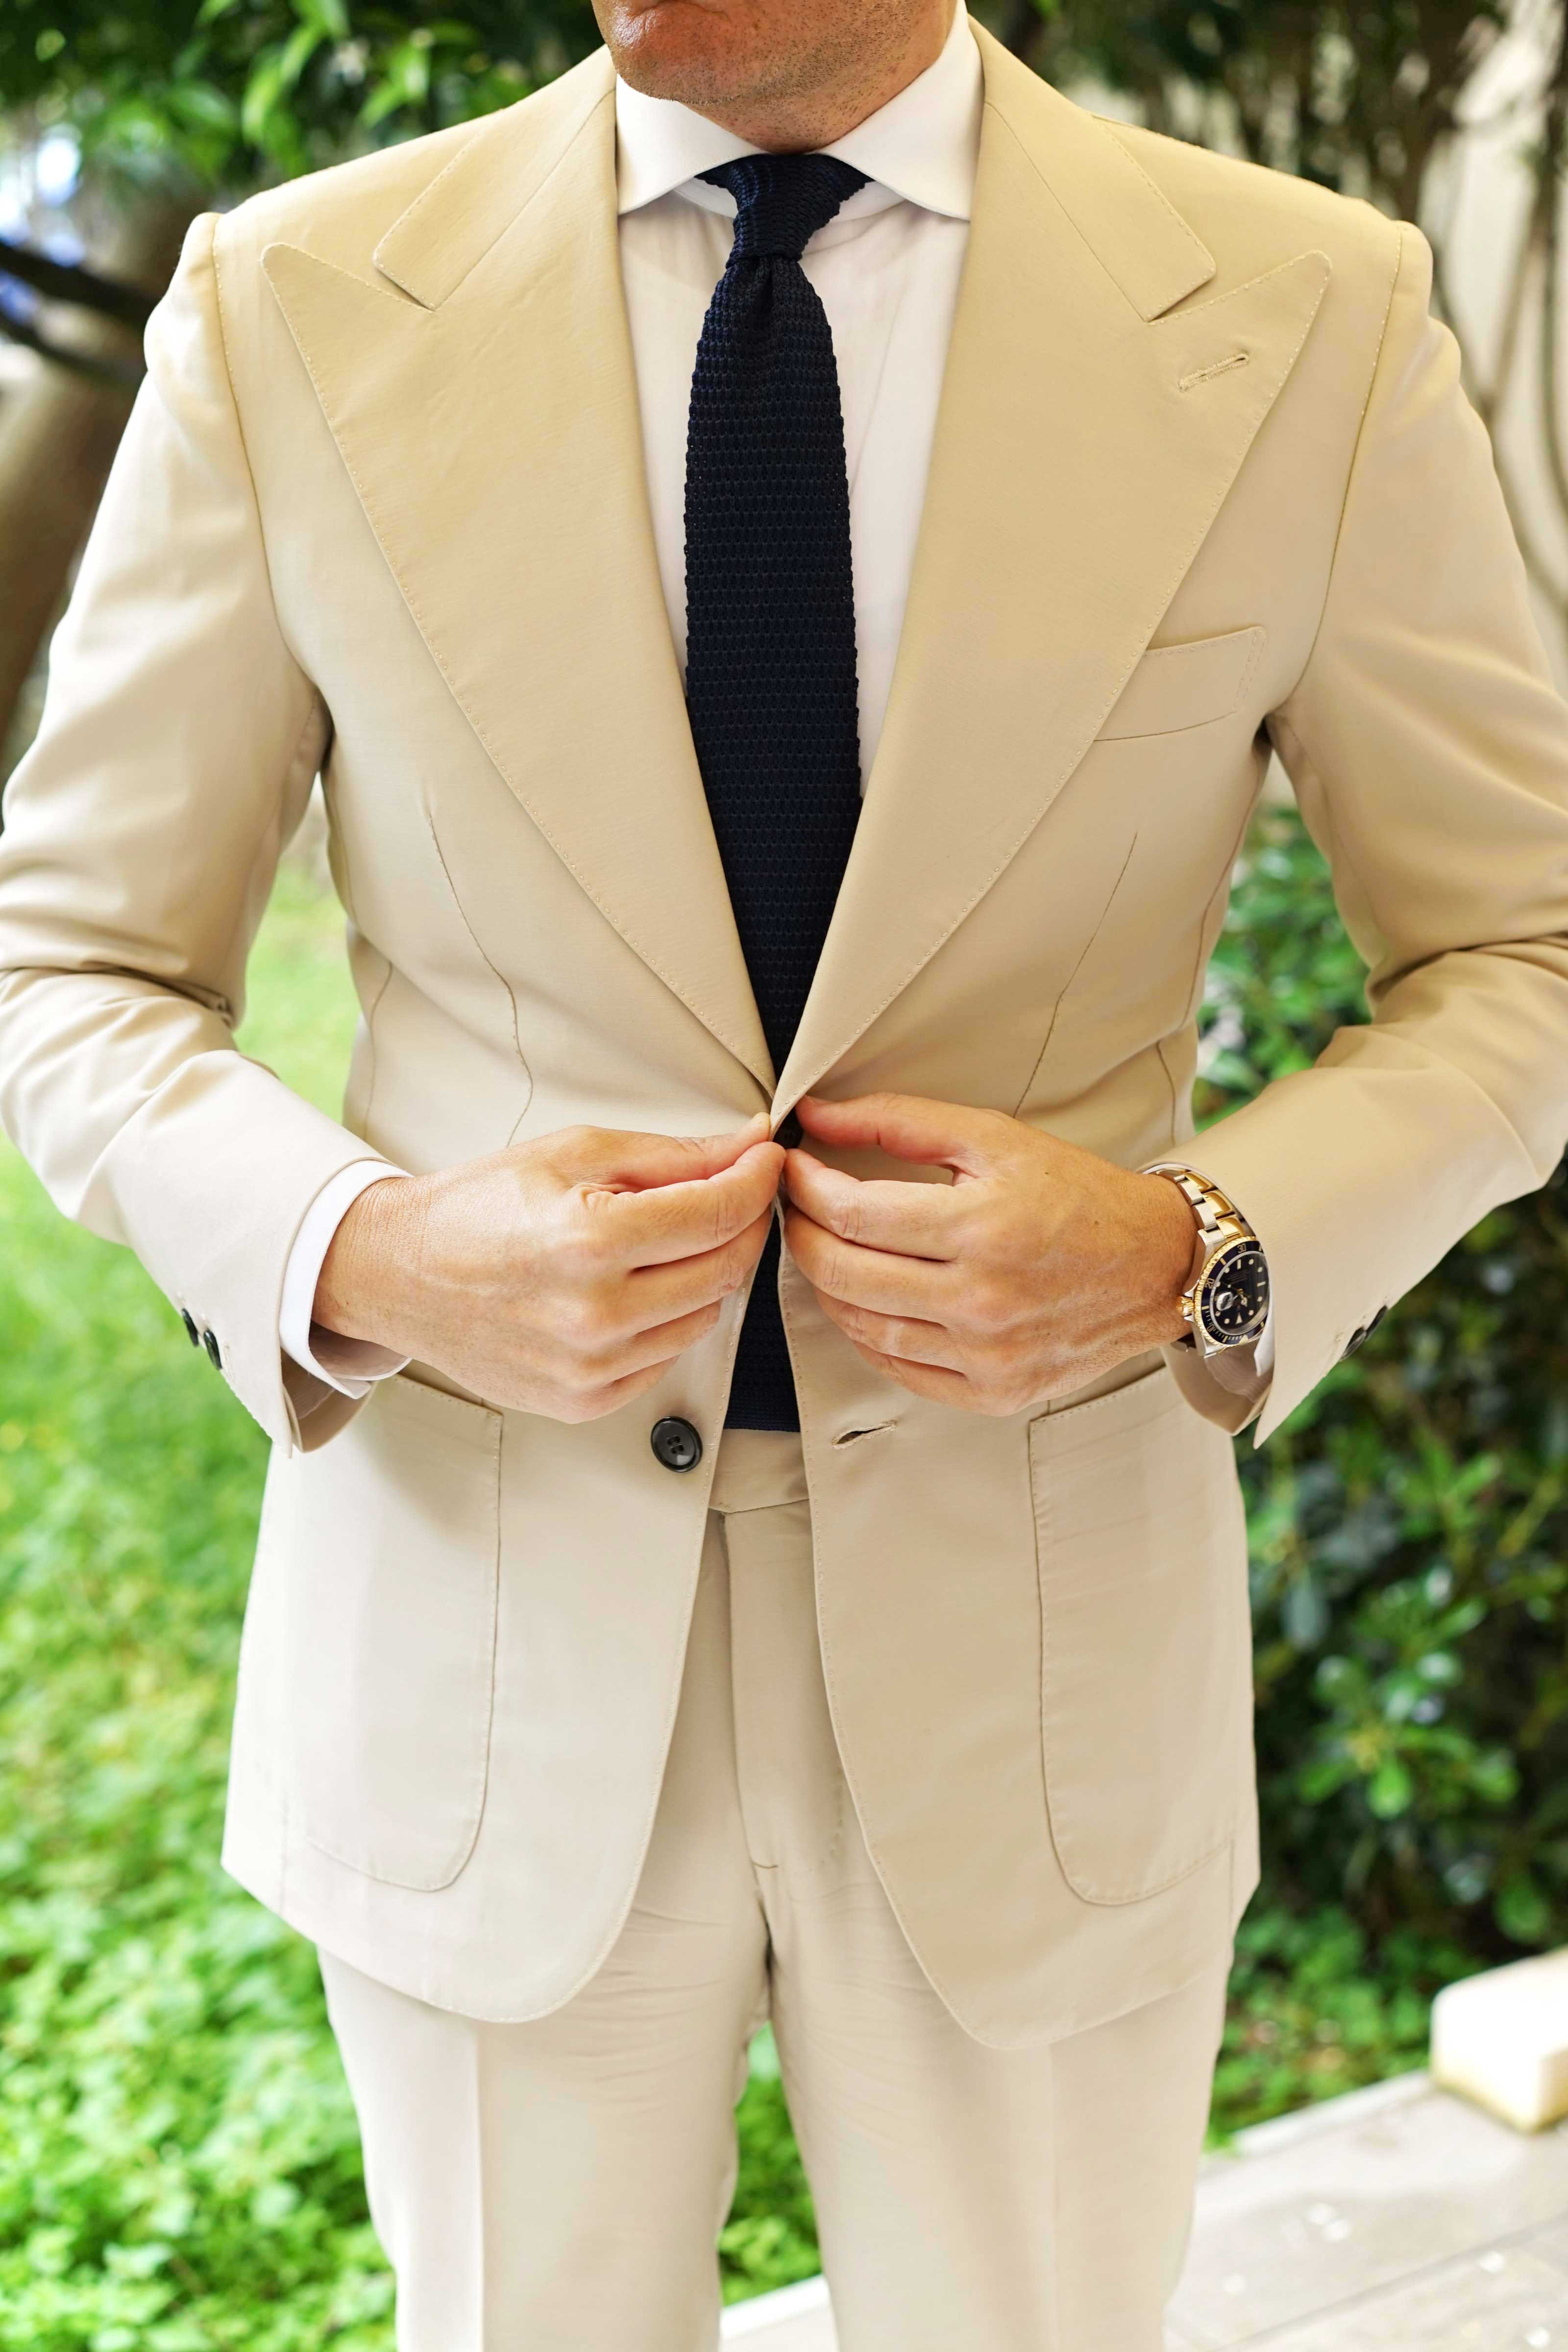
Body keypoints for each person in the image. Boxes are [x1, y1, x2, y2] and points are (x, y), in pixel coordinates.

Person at [2, 0, 1567, 2341]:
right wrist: (364, 1251)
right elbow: (72, 960)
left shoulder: (1300, 311)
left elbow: (1518, 946)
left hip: (1037, 1650)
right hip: (486, 1640)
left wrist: (1196, 1251)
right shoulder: (291, 299)